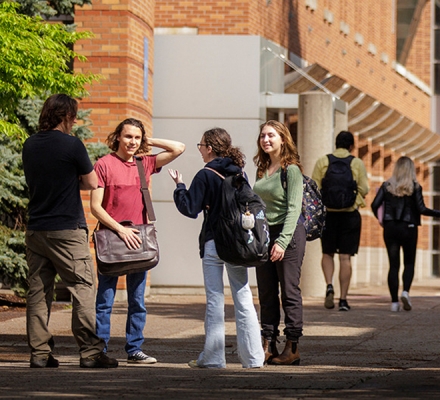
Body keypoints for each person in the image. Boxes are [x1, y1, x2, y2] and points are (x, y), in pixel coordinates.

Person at [22, 94, 118, 368]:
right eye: (74, 115)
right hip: (67, 229)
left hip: (36, 229)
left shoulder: (29, 144)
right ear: (65, 116)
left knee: (38, 293)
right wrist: (72, 178)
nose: (76, 120)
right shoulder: (72, 145)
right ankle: (90, 353)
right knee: (84, 288)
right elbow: (90, 182)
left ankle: (39, 354)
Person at [90, 118, 185, 364]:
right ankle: (99, 350)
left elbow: (178, 148)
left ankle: (134, 350)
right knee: (105, 300)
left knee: (137, 300)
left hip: (140, 240)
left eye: (137, 137)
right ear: (118, 137)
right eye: (128, 136)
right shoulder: (104, 164)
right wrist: (120, 230)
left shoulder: (145, 163)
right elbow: (95, 207)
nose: (132, 142)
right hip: (113, 238)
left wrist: (148, 141)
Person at [168, 127, 264, 369]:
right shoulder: (239, 172)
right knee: (243, 297)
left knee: (215, 299)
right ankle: (253, 359)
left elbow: (190, 208)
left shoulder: (205, 174)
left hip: (213, 242)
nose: (200, 150)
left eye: (201, 146)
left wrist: (179, 186)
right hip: (237, 243)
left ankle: (213, 358)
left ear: (210, 148)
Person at [253, 120, 306, 366]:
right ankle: (268, 343)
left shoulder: (291, 169)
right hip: (264, 235)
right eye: (263, 135)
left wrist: (282, 242)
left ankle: (292, 346)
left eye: (271, 135)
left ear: (283, 139)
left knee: (289, 291)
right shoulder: (262, 169)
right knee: (266, 292)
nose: (266, 139)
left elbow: (294, 209)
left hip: (289, 234)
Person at [371, 156, 440, 312]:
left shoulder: (386, 186)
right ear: (411, 170)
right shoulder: (415, 187)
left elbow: (374, 205)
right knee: (409, 263)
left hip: (390, 228)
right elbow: (422, 209)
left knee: (393, 265)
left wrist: (382, 219)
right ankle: (405, 292)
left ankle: (394, 303)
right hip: (409, 228)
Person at [311, 131, 369, 311]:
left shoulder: (323, 161)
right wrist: (356, 200)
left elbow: (314, 188)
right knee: (345, 257)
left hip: (328, 215)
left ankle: (329, 285)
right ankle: (343, 299)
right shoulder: (356, 163)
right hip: (349, 215)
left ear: (335, 144)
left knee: (327, 253)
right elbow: (364, 189)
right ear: (351, 146)